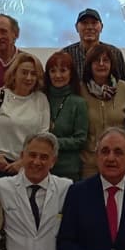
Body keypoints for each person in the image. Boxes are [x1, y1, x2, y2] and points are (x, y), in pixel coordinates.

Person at [0, 53, 51, 186]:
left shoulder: (41, 99)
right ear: (14, 73)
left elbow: (43, 136)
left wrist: (23, 162)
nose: (29, 78)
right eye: (24, 72)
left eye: (33, 74)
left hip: (29, 167)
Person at [78, 43, 125, 178]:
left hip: (119, 162)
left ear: (112, 64)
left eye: (106, 60)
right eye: (96, 60)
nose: (101, 64)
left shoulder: (124, 88)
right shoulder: (80, 90)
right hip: (89, 164)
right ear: (89, 65)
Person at [44, 51, 90, 181]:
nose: (58, 75)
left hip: (68, 170)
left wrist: (52, 142)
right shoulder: (41, 98)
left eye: (63, 70)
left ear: (71, 73)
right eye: (53, 71)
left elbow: (80, 139)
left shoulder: (78, 103)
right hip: (40, 167)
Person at [62, 7, 125, 83]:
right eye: (84, 23)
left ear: (101, 27)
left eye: (94, 23)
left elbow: (124, 83)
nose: (89, 27)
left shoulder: (114, 53)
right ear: (76, 27)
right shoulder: (66, 54)